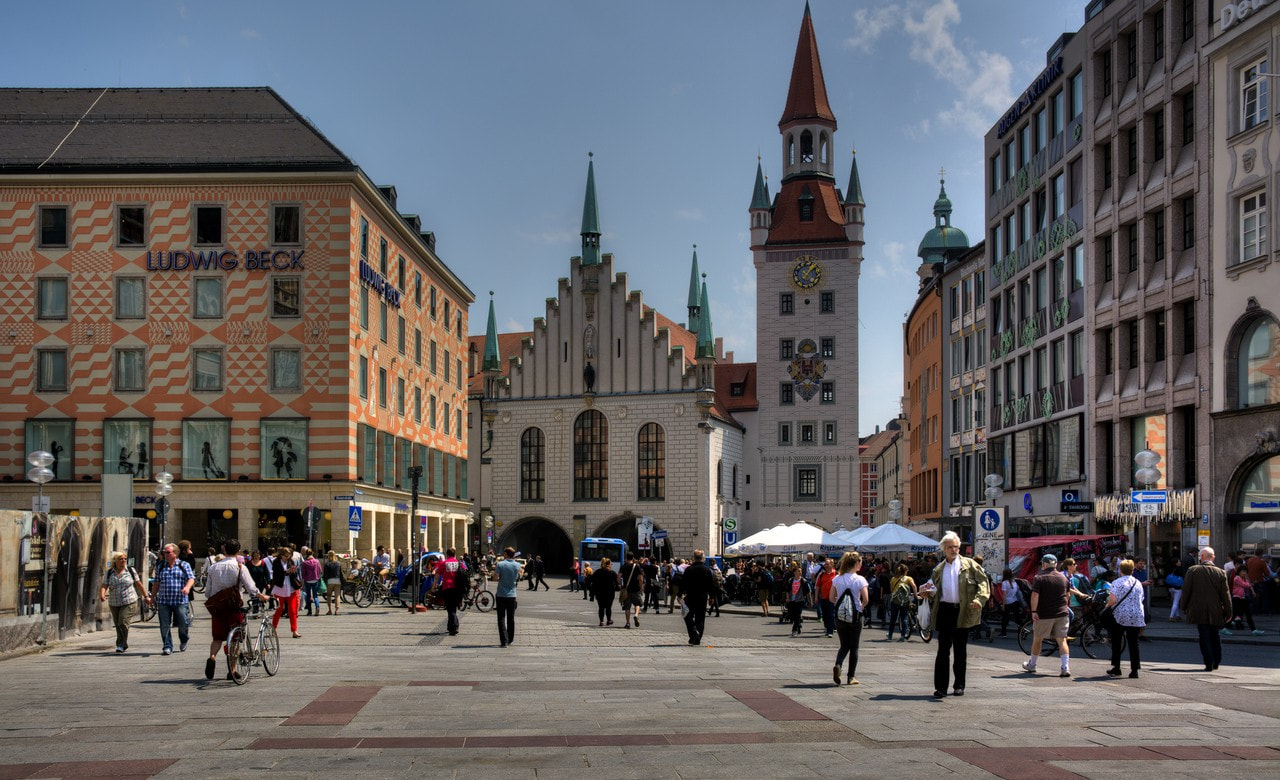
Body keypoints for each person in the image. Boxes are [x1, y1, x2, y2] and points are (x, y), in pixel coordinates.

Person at [925, 531, 990, 698]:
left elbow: (984, 583)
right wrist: (925, 591)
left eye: (956, 547)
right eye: (950, 547)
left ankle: (959, 685)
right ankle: (941, 688)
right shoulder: (939, 569)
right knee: (942, 651)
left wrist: (979, 599)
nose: (954, 550)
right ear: (944, 549)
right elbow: (932, 587)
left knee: (960, 651)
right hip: (944, 611)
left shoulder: (970, 565)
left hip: (963, 610)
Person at [202, 539, 268, 681]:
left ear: (224, 550)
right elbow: (251, 588)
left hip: (218, 607)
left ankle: (212, 657)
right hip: (234, 607)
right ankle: (232, 670)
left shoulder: (214, 567)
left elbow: (207, 592)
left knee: (217, 637)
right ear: (238, 551)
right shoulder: (240, 567)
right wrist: (261, 596)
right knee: (235, 639)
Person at [1179, 547, 1232, 672]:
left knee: (1204, 635)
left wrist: (1184, 606)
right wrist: (1229, 612)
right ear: (1212, 557)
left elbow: (1186, 590)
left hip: (1198, 609)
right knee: (1215, 635)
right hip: (1216, 610)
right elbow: (1226, 594)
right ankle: (1216, 661)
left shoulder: (1192, 570)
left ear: (1201, 557)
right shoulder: (1221, 572)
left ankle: (1208, 662)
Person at [1021, 554, 1072, 678]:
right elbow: (1068, 595)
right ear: (1056, 564)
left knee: (1038, 639)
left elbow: (1034, 596)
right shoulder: (1063, 578)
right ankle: (1065, 667)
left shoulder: (1039, 578)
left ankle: (1032, 665)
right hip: (1062, 613)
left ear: (1044, 564)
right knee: (1062, 640)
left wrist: (1034, 612)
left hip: (1044, 614)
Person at [830, 551, 869, 685]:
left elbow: (831, 598)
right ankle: (851, 677)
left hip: (840, 617)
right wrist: (860, 607)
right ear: (856, 563)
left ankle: (838, 664)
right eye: (860, 562)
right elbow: (866, 599)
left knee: (844, 645)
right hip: (855, 617)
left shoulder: (837, 579)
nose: (861, 564)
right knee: (854, 647)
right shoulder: (860, 579)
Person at [99, 551, 150, 653]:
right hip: (114, 602)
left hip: (129, 600)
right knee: (118, 624)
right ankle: (122, 644)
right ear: (115, 561)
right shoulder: (109, 573)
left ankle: (121, 644)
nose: (123, 561)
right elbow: (104, 585)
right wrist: (102, 594)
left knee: (122, 622)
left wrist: (146, 596)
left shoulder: (130, 571)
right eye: (120, 559)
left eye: (125, 559)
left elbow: (138, 584)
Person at [150, 543, 195, 655]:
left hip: (180, 600)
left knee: (183, 623)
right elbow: (156, 583)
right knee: (164, 624)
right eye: (164, 552)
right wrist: (152, 598)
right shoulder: (160, 566)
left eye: (168, 552)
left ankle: (184, 639)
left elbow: (191, 578)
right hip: (164, 601)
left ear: (175, 554)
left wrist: (187, 587)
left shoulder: (184, 565)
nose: (165, 554)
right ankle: (167, 645)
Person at [1105, 558, 1146, 678]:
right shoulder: (1137, 582)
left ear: (1120, 570)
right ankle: (1134, 670)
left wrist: (1107, 606)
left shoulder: (1117, 582)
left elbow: (1112, 600)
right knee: (1134, 642)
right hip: (1136, 614)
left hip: (1120, 615)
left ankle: (1116, 667)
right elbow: (1141, 598)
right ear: (1132, 570)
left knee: (1117, 641)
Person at [681, 550, 715, 645]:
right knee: (700, 617)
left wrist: (680, 595)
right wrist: (711, 597)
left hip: (691, 596)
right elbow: (711, 585)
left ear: (694, 558)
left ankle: (693, 633)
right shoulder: (707, 570)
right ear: (703, 558)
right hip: (702, 596)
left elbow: (683, 583)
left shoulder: (689, 569)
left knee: (688, 616)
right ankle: (697, 637)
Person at [434, 548, 468, 635]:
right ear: (454, 555)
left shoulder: (444, 563)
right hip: (458, 589)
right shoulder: (459, 563)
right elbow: (465, 573)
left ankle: (454, 627)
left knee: (450, 608)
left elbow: (437, 575)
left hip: (448, 588)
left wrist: (433, 586)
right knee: (453, 608)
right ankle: (450, 627)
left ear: (447, 555)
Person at [270, 547, 302, 638]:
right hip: (280, 588)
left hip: (290, 587)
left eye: (289, 555)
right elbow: (276, 574)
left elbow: (294, 574)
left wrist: (293, 571)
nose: (288, 557)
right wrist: (286, 572)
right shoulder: (276, 562)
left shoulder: (290, 561)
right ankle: (273, 628)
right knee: (279, 609)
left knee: (292, 610)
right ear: (281, 555)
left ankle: (294, 631)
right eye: (286, 556)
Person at [494, 547, 523, 647]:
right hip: (512, 595)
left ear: (506, 554)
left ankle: (504, 641)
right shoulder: (517, 565)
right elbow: (518, 577)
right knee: (511, 618)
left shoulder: (500, 564)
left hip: (501, 594)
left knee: (501, 618)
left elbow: (495, 578)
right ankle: (510, 639)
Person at [1228, 567, 1263, 636]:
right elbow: (1245, 585)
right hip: (1237, 598)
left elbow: (1248, 585)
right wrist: (1251, 584)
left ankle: (1254, 630)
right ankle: (1224, 627)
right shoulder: (1237, 578)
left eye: (1245, 572)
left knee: (1248, 614)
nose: (1244, 573)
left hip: (1244, 599)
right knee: (1233, 615)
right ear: (1239, 572)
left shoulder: (1244, 579)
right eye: (1243, 571)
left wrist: (1252, 590)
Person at [886, 563, 917, 641]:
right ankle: (903, 636)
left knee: (893, 619)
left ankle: (890, 635)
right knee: (904, 618)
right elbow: (913, 586)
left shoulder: (893, 579)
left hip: (895, 601)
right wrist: (915, 595)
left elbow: (891, 590)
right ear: (905, 571)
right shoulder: (908, 578)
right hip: (905, 601)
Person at [589, 557, 619, 626]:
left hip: (599, 593)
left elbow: (592, 581)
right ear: (609, 564)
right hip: (610, 593)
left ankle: (601, 621)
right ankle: (608, 620)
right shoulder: (612, 573)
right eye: (611, 563)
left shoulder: (597, 572)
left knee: (601, 607)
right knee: (608, 607)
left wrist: (592, 593)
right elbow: (617, 584)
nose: (612, 564)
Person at [994, 568, 1024, 637]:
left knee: (1004, 618)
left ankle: (1003, 633)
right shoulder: (1015, 582)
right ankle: (1022, 631)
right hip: (1015, 601)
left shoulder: (1004, 583)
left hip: (1007, 602)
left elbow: (1004, 595)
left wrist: (1003, 605)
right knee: (1017, 618)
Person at [618, 551, 645, 628]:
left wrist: (620, 585)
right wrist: (641, 587)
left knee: (627, 607)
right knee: (637, 604)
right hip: (635, 588)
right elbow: (640, 578)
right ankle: (636, 615)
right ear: (633, 558)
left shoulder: (623, 566)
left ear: (626, 558)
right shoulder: (636, 567)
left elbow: (619, 577)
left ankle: (627, 623)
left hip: (627, 589)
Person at [784, 565, 809, 636]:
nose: (800, 572)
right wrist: (787, 598)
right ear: (794, 572)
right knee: (793, 615)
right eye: (798, 571)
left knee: (798, 615)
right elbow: (787, 590)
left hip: (800, 600)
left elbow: (808, 591)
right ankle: (798, 625)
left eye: (801, 571)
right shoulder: (791, 580)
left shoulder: (803, 581)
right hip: (792, 600)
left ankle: (794, 630)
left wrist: (810, 601)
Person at [816, 558, 838, 637]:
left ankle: (830, 631)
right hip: (823, 598)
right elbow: (818, 586)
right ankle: (827, 627)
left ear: (832, 565)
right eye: (825, 564)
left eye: (827, 564)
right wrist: (816, 597)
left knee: (831, 614)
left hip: (833, 599)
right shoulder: (821, 575)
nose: (826, 566)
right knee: (825, 615)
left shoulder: (836, 574)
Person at [300, 548, 322, 616]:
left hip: (307, 580)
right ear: (312, 553)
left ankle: (309, 611)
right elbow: (320, 570)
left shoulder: (304, 563)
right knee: (315, 595)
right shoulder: (317, 561)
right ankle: (317, 606)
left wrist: (302, 582)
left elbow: (303, 573)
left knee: (308, 596)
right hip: (315, 579)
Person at [322, 550, 343, 615]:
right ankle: (336, 610)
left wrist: (324, 581)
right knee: (337, 596)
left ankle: (330, 610)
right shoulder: (338, 563)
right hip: (337, 580)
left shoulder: (327, 564)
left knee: (329, 596)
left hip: (330, 581)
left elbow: (325, 574)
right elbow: (341, 573)